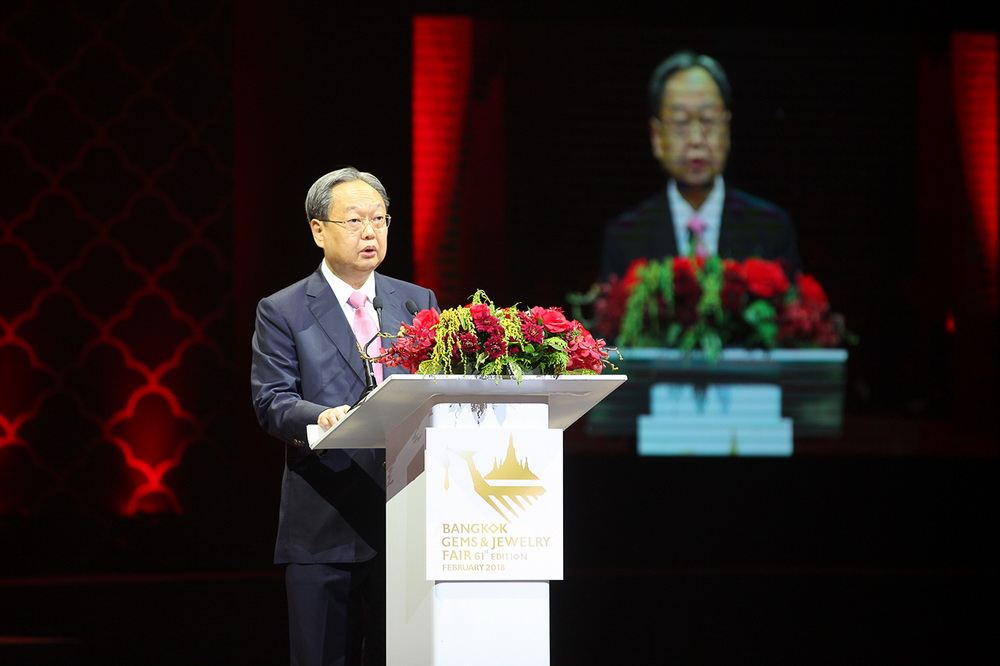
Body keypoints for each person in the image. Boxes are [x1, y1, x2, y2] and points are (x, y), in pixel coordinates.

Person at [250, 166, 440, 666]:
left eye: (379, 219)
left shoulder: (417, 301)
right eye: (354, 221)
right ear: (319, 230)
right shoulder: (283, 310)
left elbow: (435, 388)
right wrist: (322, 417)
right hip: (324, 522)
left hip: (405, 520)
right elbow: (272, 400)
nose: (370, 232)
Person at [599, 49, 802, 282]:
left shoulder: (771, 228)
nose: (696, 139)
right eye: (680, 122)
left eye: (707, 120)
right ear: (657, 137)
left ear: (726, 129)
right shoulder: (625, 238)